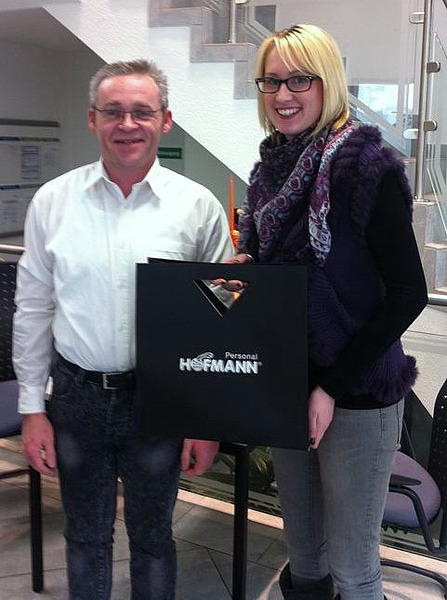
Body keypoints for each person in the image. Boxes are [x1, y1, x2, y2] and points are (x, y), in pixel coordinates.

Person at [13, 58, 234, 600]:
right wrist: (32, 410)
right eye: (113, 112)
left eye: (142, 112)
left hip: (160, 399)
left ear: (166, 120)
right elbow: (33, 309)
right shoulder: (53, 202)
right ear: (92, 120)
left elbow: (220, 322)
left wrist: (204, 420)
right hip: (76, 397)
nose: (127, 124)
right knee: (85, 536)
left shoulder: (197, 208)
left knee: (154, 539)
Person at [229, 24, 428, 600]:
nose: (283, 94)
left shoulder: (366, 166)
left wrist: (331, 388)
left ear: (328, 83)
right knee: (304, 553)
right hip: (291, 382)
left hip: (358, 390)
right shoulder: (267, 172)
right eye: (271, 81)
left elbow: (408, 292)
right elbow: (283, 274)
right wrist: (245, 271)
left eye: (300, 80)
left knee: (351, 564)